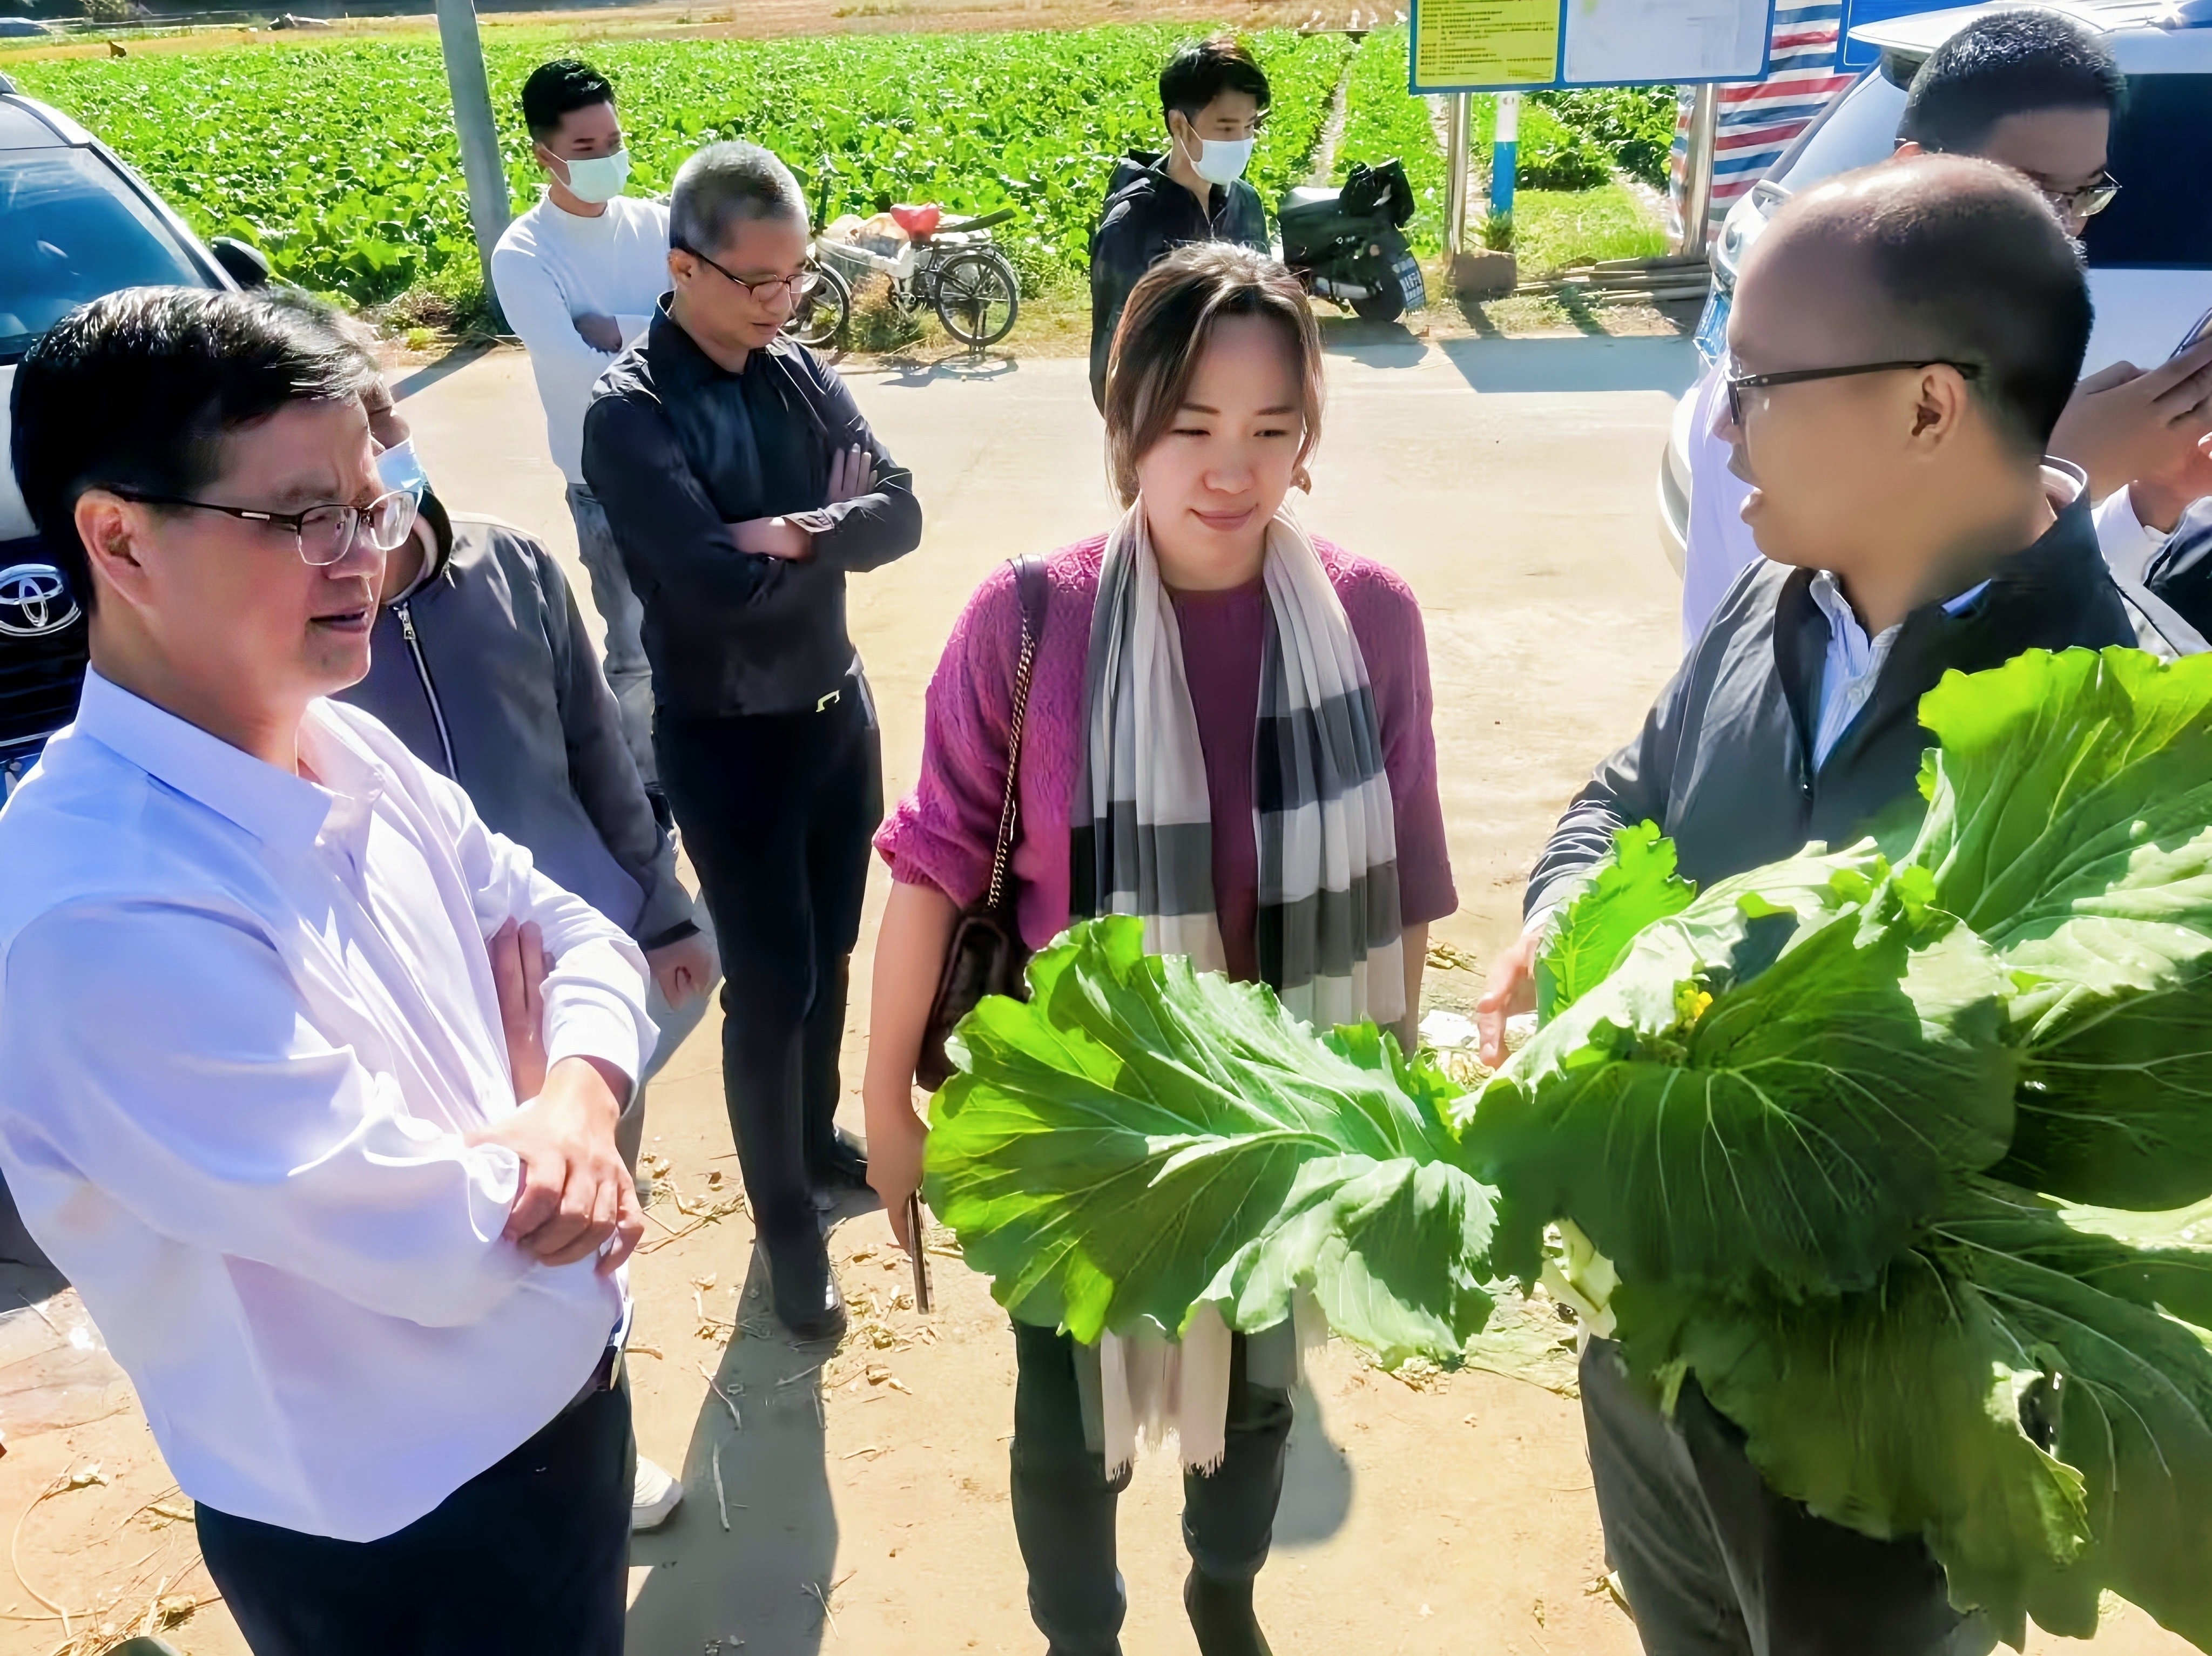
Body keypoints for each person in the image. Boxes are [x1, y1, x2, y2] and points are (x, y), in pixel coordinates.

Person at [1477, 156, 2135, 1654]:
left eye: (1762, 376)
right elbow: (1623, 794)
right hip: (1653, 1349)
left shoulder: (2117, 730)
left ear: (1926, 405)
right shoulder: (1784, 596)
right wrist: (1566, 916)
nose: (1720, 414)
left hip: (1875, 1442)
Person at [0, 287, 655, 1654]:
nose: (368, 552)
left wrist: (571, 1102)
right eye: (306, 516)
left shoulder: (337, 742)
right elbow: (441, 1241)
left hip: (564, 1417)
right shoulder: (96, 909)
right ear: (119, 540)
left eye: (371, 500)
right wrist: (555, 1162)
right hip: (398, 1529)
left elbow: (585, 931)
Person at [866, 242, 1456, 1656]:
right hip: (1080, 1113)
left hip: (1278, 1107)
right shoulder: (1029, 620)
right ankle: (1082, 1632)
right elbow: (936, 865)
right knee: (1067, 1418)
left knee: (1255, 1390)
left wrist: (1379, 1100)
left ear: (1309, 438)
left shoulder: (1369, 619)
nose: (1228, 471)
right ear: (1124, 419)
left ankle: (1222, 1589)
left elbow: (1408, 880)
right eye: (1190, 426)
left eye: (1270, 430)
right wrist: (883, 1097)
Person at [328, 356, 716, 1530]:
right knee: (477, 1249)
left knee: (600, 1218)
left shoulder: (509, 568)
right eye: (348, 445)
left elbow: (603, 755)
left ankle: (601, 1443)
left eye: (387, 419)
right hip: (426, 1013)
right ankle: (496, 1468)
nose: (381, 457)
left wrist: (657, 904)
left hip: (588, 984)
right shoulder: (297, 636)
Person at [582, 140, 922, 1343]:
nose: (786, 303)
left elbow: (904, 511)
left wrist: (776, 531)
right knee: (768, 986)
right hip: (728, 742)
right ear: (686, 267)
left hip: (835, 715)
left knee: (831, 957)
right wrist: (819, 537)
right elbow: (708, 594)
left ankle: (811, 1138)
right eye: (761, 282)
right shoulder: (629, 414)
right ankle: (782, 1225)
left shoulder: (797, 369)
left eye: (796, 278)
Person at [1676, 7, 2212, 643]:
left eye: (2084, 196)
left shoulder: (1991, 350)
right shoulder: (1797, 379)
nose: (2060, 227)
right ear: (1910, 167)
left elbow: (2031, 629)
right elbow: (1842, 651)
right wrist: (2044, 472)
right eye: (2028, 189)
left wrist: (2149, 503)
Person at [492, 58, 671, 803]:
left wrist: (617, 328)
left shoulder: (659, 222)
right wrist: (664, 332)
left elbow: (723, 333)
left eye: (614, 140)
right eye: (588, 148)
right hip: (605, 482)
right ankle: (648, 787)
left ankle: (711, 758)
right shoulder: (525, 254)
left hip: (697, 461)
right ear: (546, 156)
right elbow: (577, 373)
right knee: (633, 648)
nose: (608, 158)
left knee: (715, 629)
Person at [1088, 35, 1271, 412]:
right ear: (1180, 125)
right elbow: (1111, 369)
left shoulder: (1247, 205)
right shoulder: (1132, 225)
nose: (1241, 141)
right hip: (1169, 435)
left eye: (1250, 127)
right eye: (1225, 128)